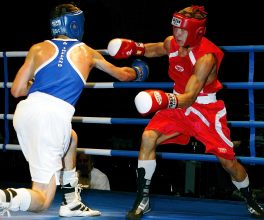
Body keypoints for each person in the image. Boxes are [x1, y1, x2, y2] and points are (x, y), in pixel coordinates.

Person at [107, 5, 264, 219]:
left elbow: (190, 97)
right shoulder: (173, 42)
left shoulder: (206, 57)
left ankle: (250, 198)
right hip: (176, 107)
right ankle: (142, 199)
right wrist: (137, 48)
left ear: (196, 31)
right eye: (175, 28)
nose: (176, 33)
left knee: (228, 163)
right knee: (148, 137)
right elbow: (157, 48)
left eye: (182, 30)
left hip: (204, 110)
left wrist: (163, 99)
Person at [0, 3, 149, 217]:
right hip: (51, 118)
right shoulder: (87, 52)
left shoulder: (37, 49)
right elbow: (123, 75)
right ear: (75, 25)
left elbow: (16, 90)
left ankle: (71, 202)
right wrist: (139, 71)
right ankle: (5, 197)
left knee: (71, 137)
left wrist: (38, 83)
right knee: (42, 199)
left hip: (25, 112)